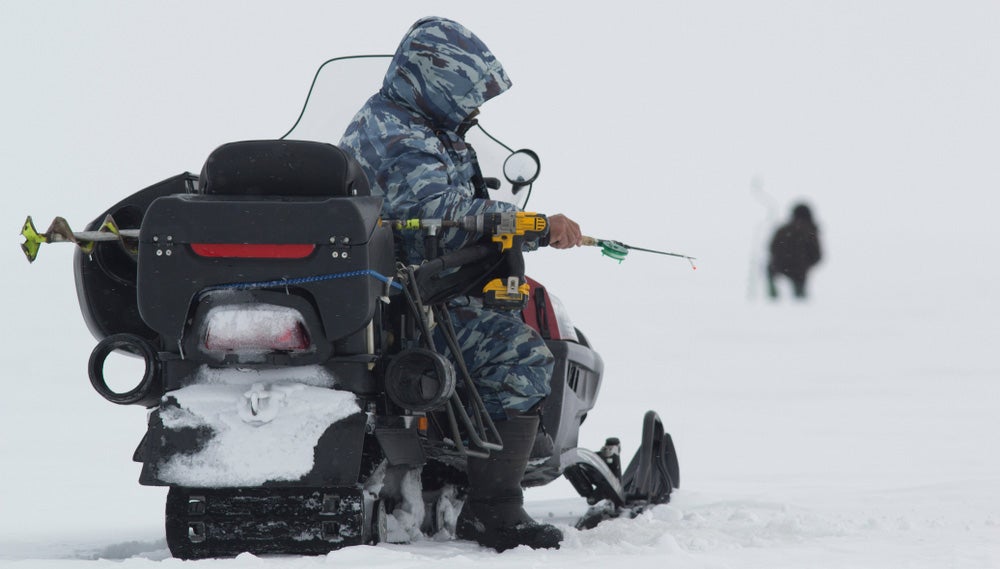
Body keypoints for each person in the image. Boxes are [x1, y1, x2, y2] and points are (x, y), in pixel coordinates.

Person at [339, 17, 582, 551]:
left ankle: (452, 464)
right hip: (407, 302)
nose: (473, 108)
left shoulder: (411, 126)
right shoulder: (397, 133)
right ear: (435, 79)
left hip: (404, 292)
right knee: (519, 355)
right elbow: (437, 212)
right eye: (466, 93)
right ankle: (494, 511)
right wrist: (532, 224)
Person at [767, 203, 822, 299]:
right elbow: (817, 254)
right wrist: (807, 263)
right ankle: (800, 302)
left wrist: (780, 259)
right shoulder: (810, 230)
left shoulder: (783, 229)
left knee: (769, 270)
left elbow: (772, 247)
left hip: (779, 265)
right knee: (800, 293)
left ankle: (773, 294)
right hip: (800, 269)